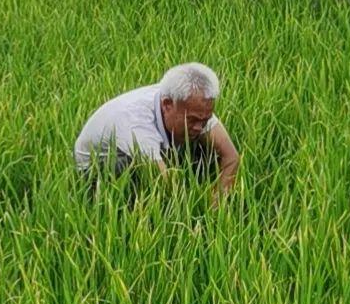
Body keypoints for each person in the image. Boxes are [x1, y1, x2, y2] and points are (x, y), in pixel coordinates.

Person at [74, 62, 239, 202]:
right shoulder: (136, 124)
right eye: (193, 120)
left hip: (151, 150)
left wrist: (218, 200)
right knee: (142, 192)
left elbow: (231, 157)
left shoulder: (194, 106)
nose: (199, 126)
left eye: (205, 120)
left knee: (205, 152)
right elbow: (169, 190)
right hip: (101, 170)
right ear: (167, 104)